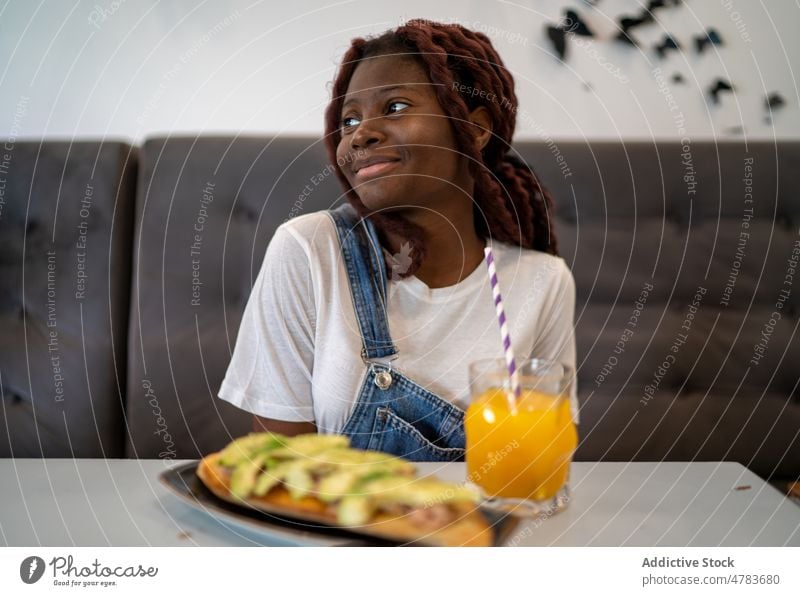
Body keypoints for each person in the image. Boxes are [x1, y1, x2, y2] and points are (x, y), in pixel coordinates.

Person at [218, 19, 578, 461]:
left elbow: (539, 464)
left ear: (476, 129)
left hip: (483, 528)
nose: (359, 134)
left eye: (394, 107)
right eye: (349, 119)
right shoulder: (310, 251)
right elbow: (279, 472)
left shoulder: (543, 281)